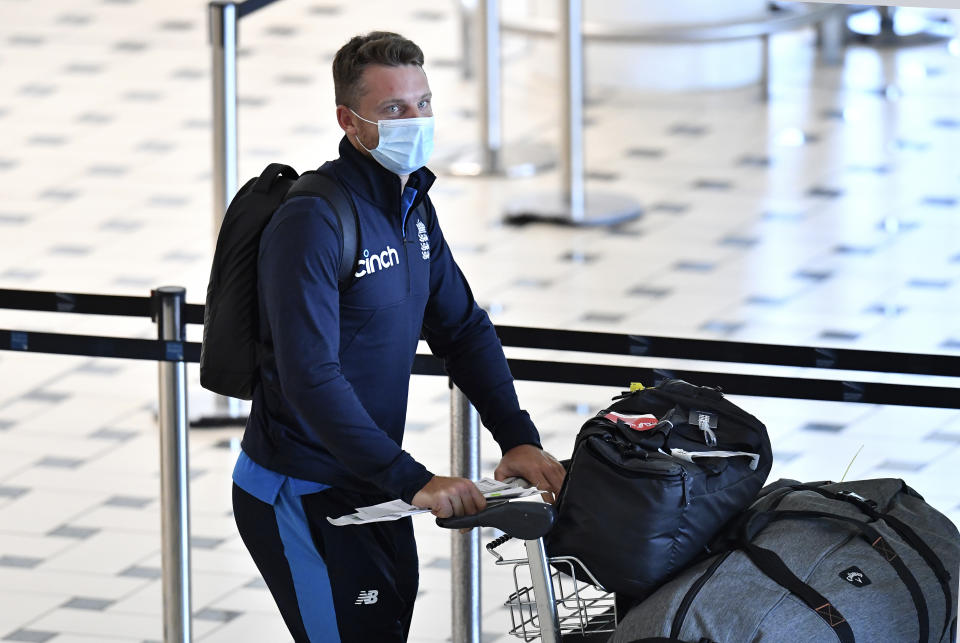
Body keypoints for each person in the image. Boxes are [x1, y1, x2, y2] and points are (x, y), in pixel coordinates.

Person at [231, 31, 566, 643]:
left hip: (375, 488)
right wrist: (413, 478)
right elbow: (312, 376)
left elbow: (462, 328)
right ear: (349, 120)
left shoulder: (412, 203)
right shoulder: (313, 220)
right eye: (393, 109)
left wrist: (517, 438)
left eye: (423, 104)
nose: (415, 121)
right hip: (303, 491)